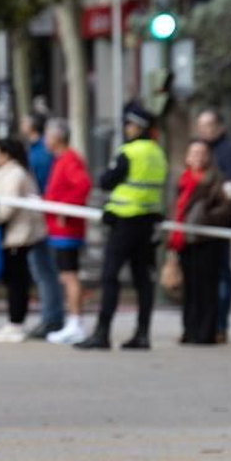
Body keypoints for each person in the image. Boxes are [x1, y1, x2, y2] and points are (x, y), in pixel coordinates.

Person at [78, 103, 168, 351]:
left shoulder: (130, 152)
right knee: (143, 280)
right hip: (148, 222)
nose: (127, 129)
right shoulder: (158, 153)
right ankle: (142, 333)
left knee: (109, 276)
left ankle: (102, 333)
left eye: (129, 125)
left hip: (125, 221)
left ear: (137, 126)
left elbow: (107, 181)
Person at [171, 139, 231, 344]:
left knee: (206, 288)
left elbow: (227, 208)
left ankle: (205, 332)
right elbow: (175, 209)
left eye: (202, 153)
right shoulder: (182, 180)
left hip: (207, 240)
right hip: (186, 240)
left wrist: (205, 218)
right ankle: (189, 329)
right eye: (194, 153)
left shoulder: (217, 179)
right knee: (189, 287)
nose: (198, 157)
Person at [0, 137, 48, 343]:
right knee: (13, 278)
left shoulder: (15, 174)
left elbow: (7, 206)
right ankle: (14, 321)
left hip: (19, 234)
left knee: (17, 280)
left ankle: (16, 323)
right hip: (10, 234)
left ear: (5, 154)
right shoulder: (8, 173)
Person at [196, 107, 231, 341]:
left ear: (220, 128)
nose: (203, 131)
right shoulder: (201, 149)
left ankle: (221, 325)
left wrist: (219, 215)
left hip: (218, 222)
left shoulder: (228, 152)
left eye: (208, 126)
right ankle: (204, 324)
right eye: (200, 126)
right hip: (200, 224)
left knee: (222, 272)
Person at [43, 119, 91, 344]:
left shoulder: (70, 159)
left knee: (69, 275)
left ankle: (76, 321)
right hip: (59, 228)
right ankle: (72, 321)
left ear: (56, 138)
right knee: (66, 275)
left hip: (67, 229)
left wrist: (65, 208)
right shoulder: (61, 160)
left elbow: (83, 185)